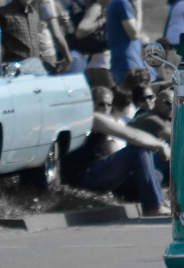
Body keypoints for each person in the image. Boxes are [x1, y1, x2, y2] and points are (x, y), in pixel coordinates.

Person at [63, 85, 168, 214]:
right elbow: (131, 136)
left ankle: (166, 200)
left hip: (97, 173)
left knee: (156, 173)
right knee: (138, 150)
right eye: (102, 104)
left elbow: (133, 132)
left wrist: (160, 145)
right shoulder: (92, 118)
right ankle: (153, 206)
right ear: (91, 104)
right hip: (84, 178)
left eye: (109, 105)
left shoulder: (102, 119)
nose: (106, 109)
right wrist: (160, 145)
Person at [104, 0, 151, 83]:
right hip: (126, 65)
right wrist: (139, 10)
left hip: (132, 63)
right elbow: (134, 34)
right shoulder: (122, 2)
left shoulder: (124, 3)